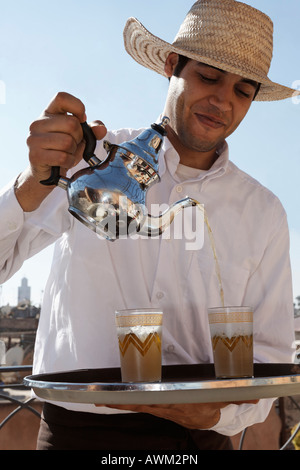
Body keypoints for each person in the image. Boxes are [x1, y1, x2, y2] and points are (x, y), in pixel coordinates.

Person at [0, 0, 298, 450]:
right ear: (172, 65)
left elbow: (271, 359)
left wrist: (218, 412)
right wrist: (30, 183)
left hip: (200, 441)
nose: (222, 100)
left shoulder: (262, 211)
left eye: (243, 90)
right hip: (75, 435)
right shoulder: (92, 163)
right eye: (209, 76)